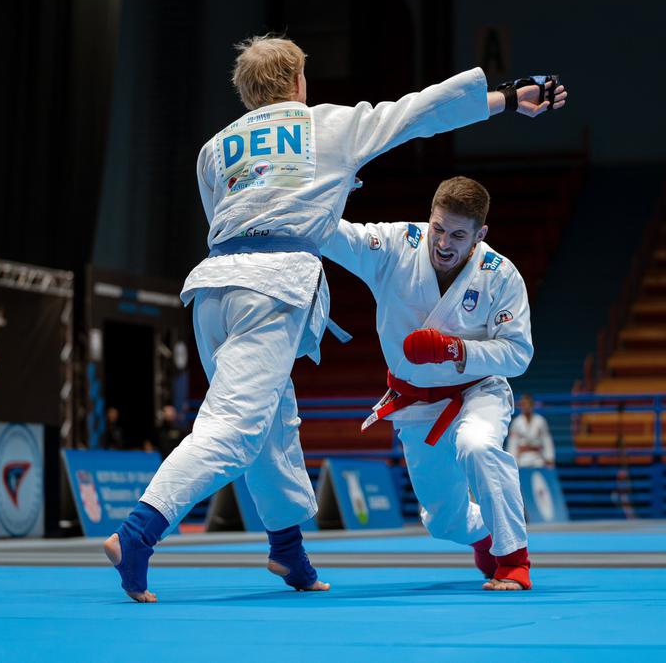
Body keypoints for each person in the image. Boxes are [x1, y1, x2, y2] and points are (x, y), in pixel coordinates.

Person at [104, 34, 567, 602]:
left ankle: (289, 552)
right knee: (233, 428)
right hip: (270, 289)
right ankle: (138, 533)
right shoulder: (326, 126)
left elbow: (235, 215)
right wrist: (504, 97)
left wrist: (323, 193)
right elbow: (420, 110)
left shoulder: (214, 148)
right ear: (299, 83)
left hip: (211, 288)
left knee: (275, 421)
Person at [321, 176, 536, 590]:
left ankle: (514, 560)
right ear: (429, 218)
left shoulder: (500, 275)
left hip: (478, 391)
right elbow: (330, 234)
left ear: (480, 235)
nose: (443, 243)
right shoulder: (396, 247)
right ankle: (483, 535)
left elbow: (518, 353)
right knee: (444, 522)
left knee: (478, 444)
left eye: (458, 234)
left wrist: (456, 350)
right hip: (416, 403)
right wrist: (332, 194)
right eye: (438, 228)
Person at [506, 394, 556, 468]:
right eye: (524, 404)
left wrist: (549, 458)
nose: (526, 407)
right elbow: (513, 442)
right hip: (522, 458)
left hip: (537, 457)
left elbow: (547, 440)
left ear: (532, 405)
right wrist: (512, 460)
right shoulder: (517, 422)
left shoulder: (540, 421)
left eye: (528, 404)